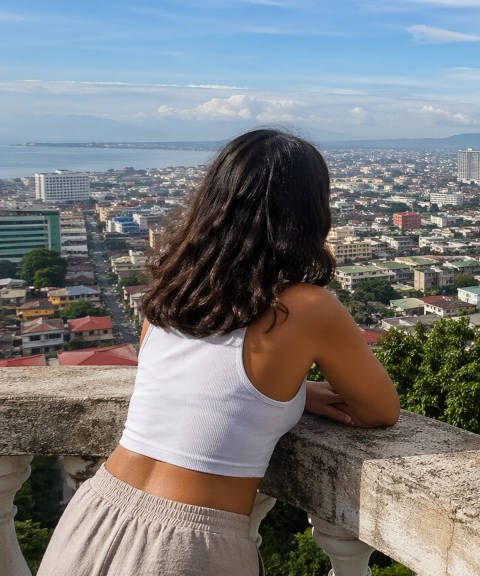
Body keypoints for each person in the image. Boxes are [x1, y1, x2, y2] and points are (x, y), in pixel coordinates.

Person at [37, 129, 400, 575]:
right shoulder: (305, 307)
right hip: (188, 547)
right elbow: (380, 410)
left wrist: (292, 393)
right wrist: (298, 395)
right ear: (309, 211)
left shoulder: (169, 295)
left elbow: (212, 387)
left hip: (92, 515)